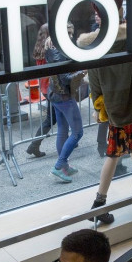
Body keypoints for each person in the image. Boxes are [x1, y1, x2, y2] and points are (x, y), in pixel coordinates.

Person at [84, 0, 132, 224]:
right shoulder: (131, 37)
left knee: (131, 141)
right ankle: (98, 204)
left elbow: (93, 78)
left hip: (113, 104)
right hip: (130, 99)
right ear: (120, 9)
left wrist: (98, 105)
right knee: (114, 153)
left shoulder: (94, 42)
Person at [45, 39, 85, 183]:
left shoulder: (50, 48)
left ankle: (64, 166)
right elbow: (66, 78)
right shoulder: (58, 52)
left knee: (62, 130)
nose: (70, 35)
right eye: (68, 32)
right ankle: (59, 165)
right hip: (64, 97)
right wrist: (82, 71)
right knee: (77, 133)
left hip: (56, 95)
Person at [26, 23, 56, 158]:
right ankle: (34, 145)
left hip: (45, 87)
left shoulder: (39, 47)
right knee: (51, 118)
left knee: (58, 116)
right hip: (51, 87)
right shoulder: (49, 48)